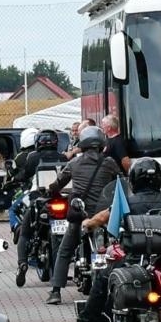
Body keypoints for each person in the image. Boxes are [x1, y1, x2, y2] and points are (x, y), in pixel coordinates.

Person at [67, 157, 161, 322]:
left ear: (134, 180)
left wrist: (87, 224)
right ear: (160, 179)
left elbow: (101, 218)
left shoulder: (128, 203)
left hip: (136, 259)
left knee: (103, 278)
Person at [44, 126, 122, 305]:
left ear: (82, 143)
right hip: (103, 216)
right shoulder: (109, 163)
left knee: (65, 251)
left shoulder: (74, 164)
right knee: (114, 247)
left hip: (80, 215)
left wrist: (49, 189)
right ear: (101, 143)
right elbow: (120, 181)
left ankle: (56, 291)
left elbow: (58, 184)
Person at [13, 128, 70, 284]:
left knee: (25, 231)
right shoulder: (63, 157)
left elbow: (24, 175)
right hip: (61, 197)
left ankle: (22, 262)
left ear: (38, 142)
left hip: (39, 198)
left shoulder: (32, 157)